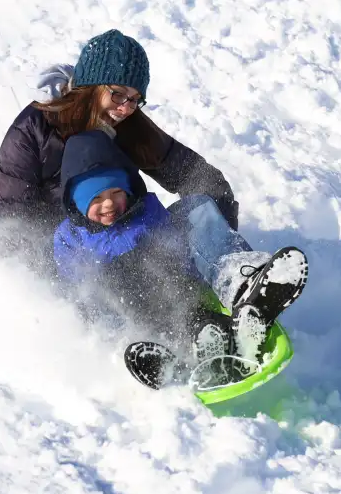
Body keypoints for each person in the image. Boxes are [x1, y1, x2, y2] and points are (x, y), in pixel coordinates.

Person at [53, 129, 309, 388]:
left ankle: (243, 298)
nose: (108, 204)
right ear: (77, 203)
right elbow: (77, 286)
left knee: (194, 217)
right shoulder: (70, 237)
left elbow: (177, 253)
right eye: (95, 198)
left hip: (178, 296)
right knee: (113, 299)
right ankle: (170, 360)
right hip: (130, 314)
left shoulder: (145, 211)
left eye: (115, 192)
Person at [0, 29, 239, 274]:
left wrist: (220, 239)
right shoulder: (32, 131)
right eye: (118, 94)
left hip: (133, 242)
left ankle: (237, 280)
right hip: (76, 262)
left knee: (199, 209)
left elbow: (195, 175)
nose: (126, 108)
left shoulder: (128, 124)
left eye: (135, 99)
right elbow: (11, 224)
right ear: (91, 87)